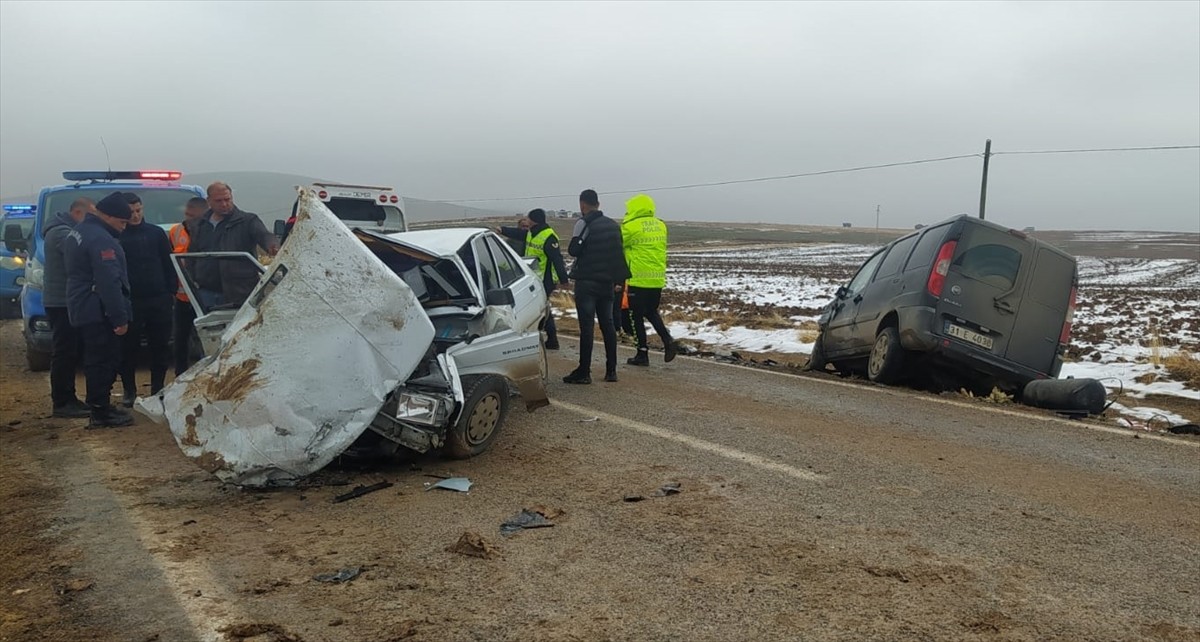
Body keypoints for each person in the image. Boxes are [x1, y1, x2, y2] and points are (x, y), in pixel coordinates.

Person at [65, 192, 134, 428]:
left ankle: (99, 407)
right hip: (98, 308)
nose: (123, 228)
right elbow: (109, 281)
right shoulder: (101, 239)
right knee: (104, 360)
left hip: (83, 304)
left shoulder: (80, 231)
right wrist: (119, 317)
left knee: (95, 358)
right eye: (122, 222)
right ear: (107, 216)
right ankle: (101, 411)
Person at [563, 189, 630, 384]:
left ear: (582, 204)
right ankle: (611, 371)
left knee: (587, 327)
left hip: (587, 282)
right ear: (598, 204)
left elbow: (573, 250)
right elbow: (619, 255)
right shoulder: (613, 225)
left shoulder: (583, 223)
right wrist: (619, 281)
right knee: (608, 325)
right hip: (607, 284)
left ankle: (584, 372)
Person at [117, 192, 176, 405]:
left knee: (160, 347)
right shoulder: (117, 236)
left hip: (158, 299)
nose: (135, 216)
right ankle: (129, 391)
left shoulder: (156, 233)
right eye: (130, 212)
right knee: (128, 348)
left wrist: (170, 290)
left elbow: (168, 263)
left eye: (138, 210)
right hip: (131, 301)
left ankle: (158, 389)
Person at [41, 197, 94, 417]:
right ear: (78, 213)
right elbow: (81, 257)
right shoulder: (63, 234)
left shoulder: (61, 231)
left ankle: (68, 398)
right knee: (64, 352)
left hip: (63, 300)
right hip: (61, 301)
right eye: (90, 215)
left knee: (69, 351)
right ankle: (62, 402)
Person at [189, 181, 278, 309]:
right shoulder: (200, 225)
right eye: (219, 201)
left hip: (240, 293)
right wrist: (193, 280)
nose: (224, 204)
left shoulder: (248, 221)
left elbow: (264, 235)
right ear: (208, 201)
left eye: (227, 199)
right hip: (206, 293)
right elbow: (192, 254)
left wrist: (272, 246)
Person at [497, 208, 569, 349]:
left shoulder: (549, 236)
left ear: (534, 220)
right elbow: (519, 234)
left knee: (541, 308)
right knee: (539, 308)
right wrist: (502, 230)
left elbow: (557, 259)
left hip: (545, 279)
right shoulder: (532, 233)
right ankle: (548, 339)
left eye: (528, 219)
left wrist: (564, 280)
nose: (527, 221)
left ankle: (550, 339)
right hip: (533, 277)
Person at [621, 194, 676, 366]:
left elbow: (618, 244)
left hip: (637, 279)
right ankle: (667, 339)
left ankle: (642, 353)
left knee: (635, 316)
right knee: (651, 311)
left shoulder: (630, 227)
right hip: (656, 279)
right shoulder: (661, 225)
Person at [168, 197, 207, 376]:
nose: (190, 219)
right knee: (180, 340)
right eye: (188, 214)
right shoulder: (175, 231)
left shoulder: (211, 231)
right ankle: (180, 376)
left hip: (205, 297)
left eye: (194, 216)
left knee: (205, 340)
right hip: (182, 297)